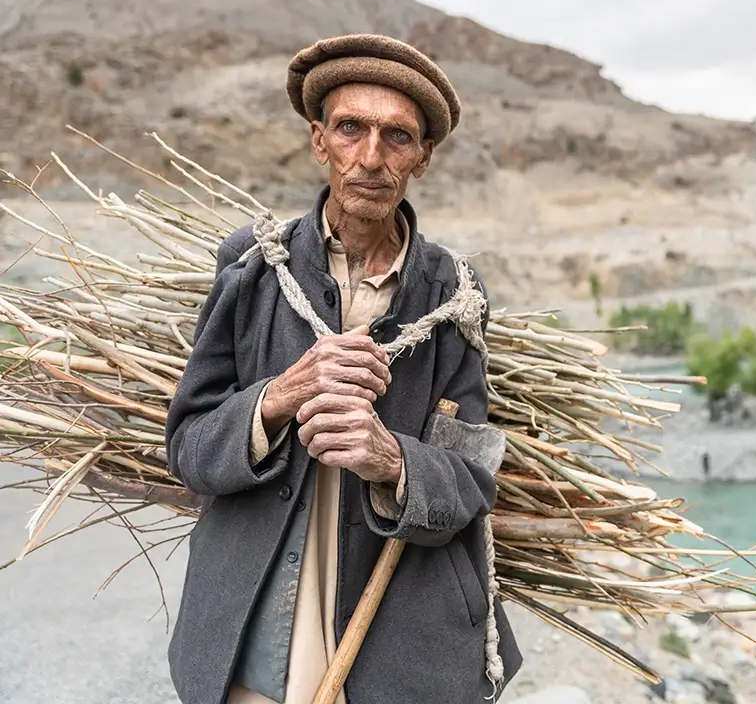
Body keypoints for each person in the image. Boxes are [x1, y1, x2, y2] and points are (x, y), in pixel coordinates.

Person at [163, 34, 522, 704]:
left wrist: (393, 460)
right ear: (318, 140)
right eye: (351, 129)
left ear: (423, 158)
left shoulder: (454, 293)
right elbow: (187, 447)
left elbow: (472, 482)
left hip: (395, 640)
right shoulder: (253, 264)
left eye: (397, 137)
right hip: (254, 628)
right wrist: (283, 394)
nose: (370, 157)